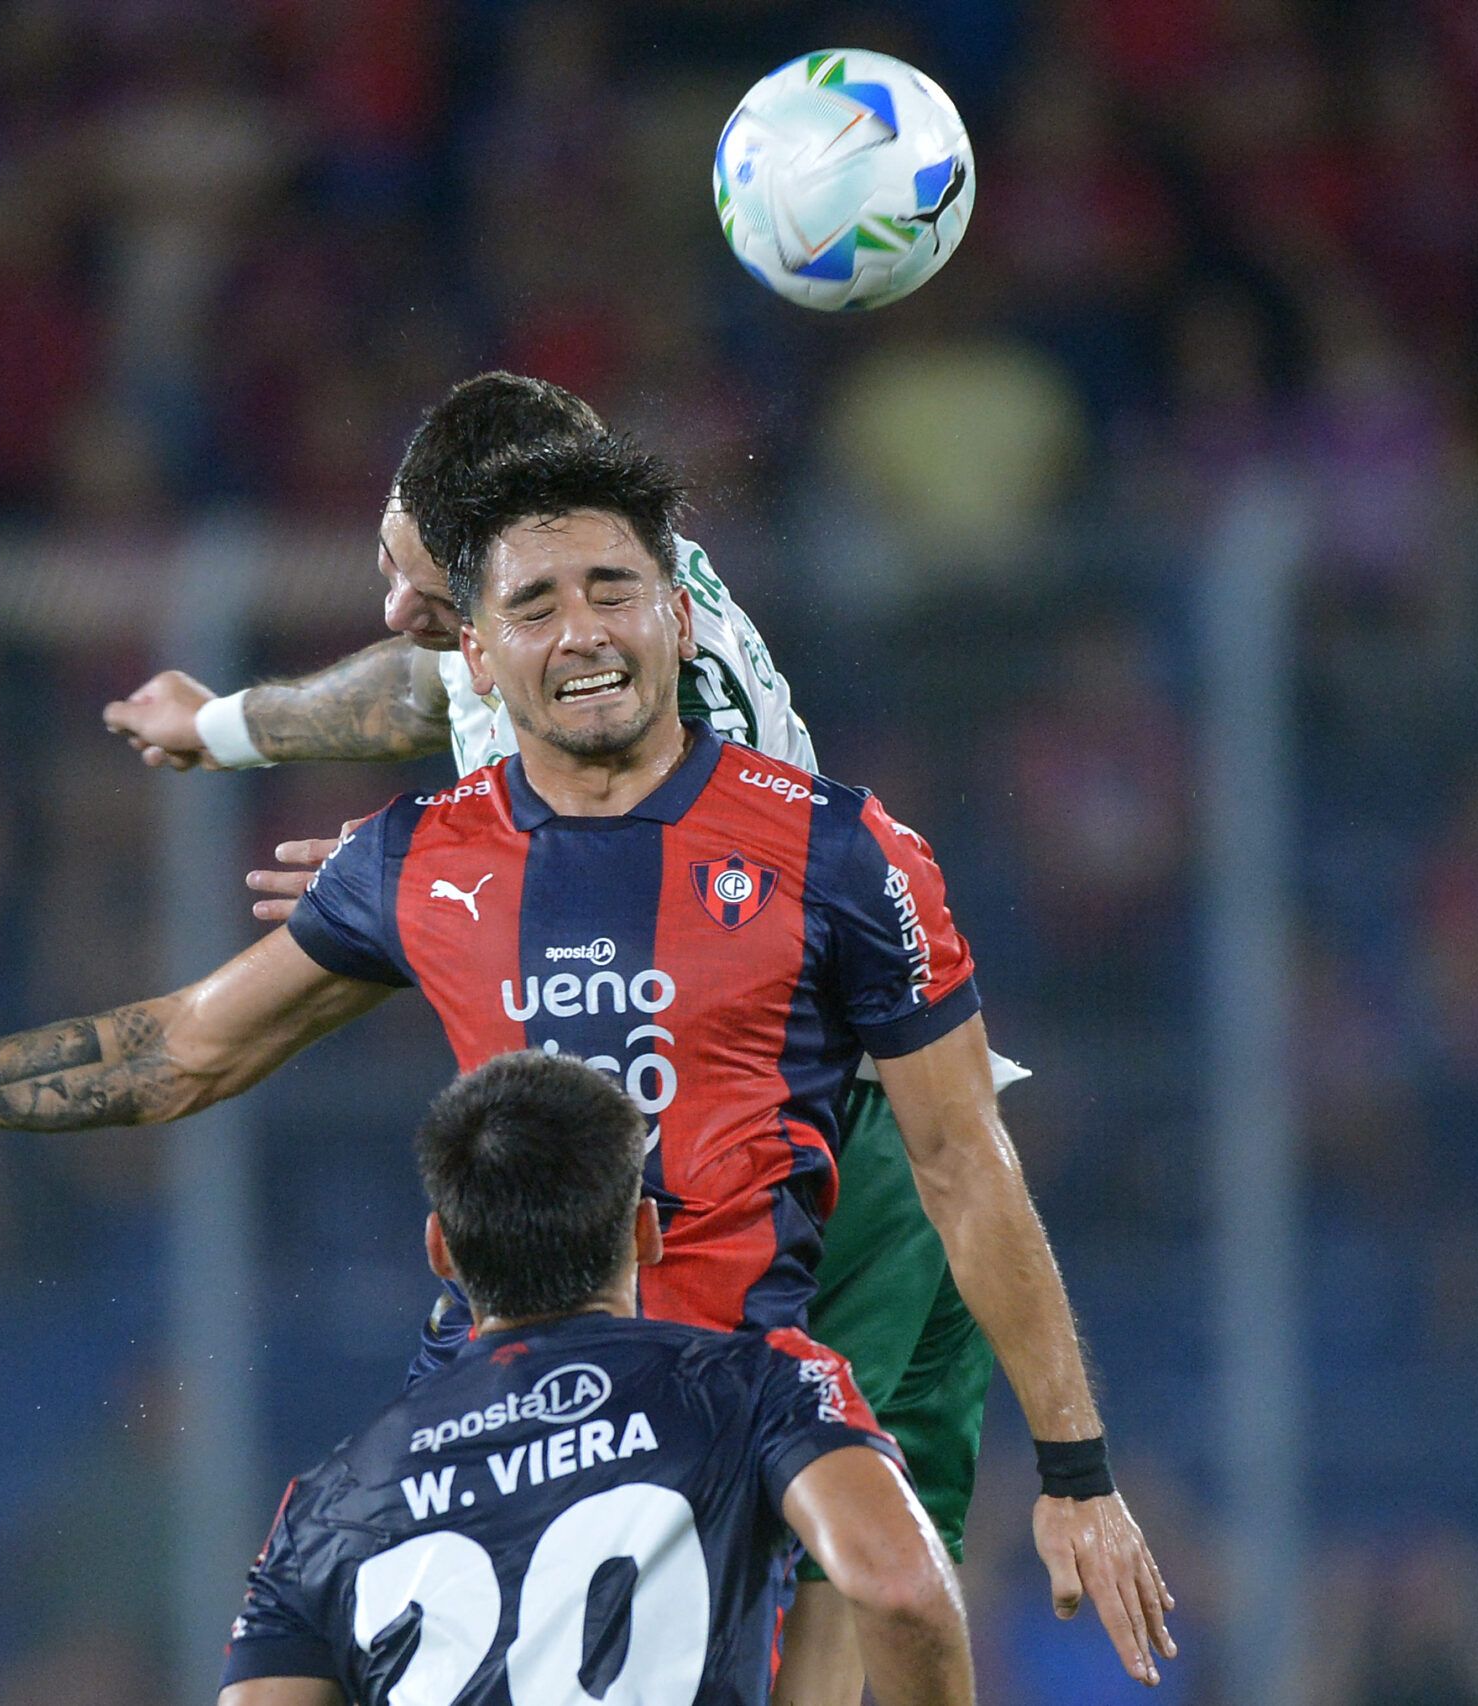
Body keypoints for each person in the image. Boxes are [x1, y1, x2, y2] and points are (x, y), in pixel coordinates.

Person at [0, 431, 1174, 1692]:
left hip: (738, 1424)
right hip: (503, 1421)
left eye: (613, 590)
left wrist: (1074, 1471)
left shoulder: (841, 853)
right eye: (535, 606)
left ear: (679, 614)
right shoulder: (420, 859)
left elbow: (960, 1159)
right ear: (478, 654)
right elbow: (185, 1047)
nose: (583, 632)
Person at [99, 374, 1027, 1705]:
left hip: (814, 1146)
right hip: (733, 1157)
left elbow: (636, 900)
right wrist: (229, 728)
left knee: (798, 1534)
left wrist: (415, 886)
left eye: (409, 568)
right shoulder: (589, 605)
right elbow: (405, 690)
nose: (396, 603)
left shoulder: (633, 703)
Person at [218, 1050, 972, 1706]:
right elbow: (900, 1590)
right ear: (646, 1232)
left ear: (440, 1252)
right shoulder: (757, 1384)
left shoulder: (324, 1505)